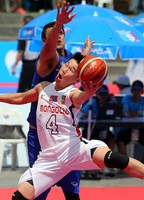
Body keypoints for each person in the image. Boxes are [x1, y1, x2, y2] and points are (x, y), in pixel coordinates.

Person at [0, 53, 144, 200]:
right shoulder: (44, 88)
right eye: (65, 65)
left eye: (71, 69)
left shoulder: (73, 94)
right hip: (48, 159)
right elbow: (21, 97)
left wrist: (91, 89)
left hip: (75, 149)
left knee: (116, 159)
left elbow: (84, 95)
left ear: (78, 78)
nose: (64, 68)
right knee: (19, 197)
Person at [25, 2, 93, 199]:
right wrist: (58, 24)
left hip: (65, 138)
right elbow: (49, 49)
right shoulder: (46, 60)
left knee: (72, 194)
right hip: (40, 137)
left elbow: (76, 61)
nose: (59, 35)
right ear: (46, 40)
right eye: (55, 33)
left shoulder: (71, 58)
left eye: (62, 32)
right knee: (39, 193)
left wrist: (86, 52)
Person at [116, 80, 144, 165]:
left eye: (139, 90)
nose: (136, 92)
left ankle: (142, 165)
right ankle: (125, 166)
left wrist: (137, 113)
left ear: (142, 91)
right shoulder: (126, 98)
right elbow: (123, 111)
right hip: (127, 128)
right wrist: (131, 113)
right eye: (135, 90)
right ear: (131, 90)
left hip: (140, 129)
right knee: (120, 142)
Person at [80, 85, 116, 150]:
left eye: (105, 94)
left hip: (105, 129)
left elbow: (117, 112)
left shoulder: (110, 103)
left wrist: (113, 100)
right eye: (100, 94)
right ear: (96, 94)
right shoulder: (92, 102)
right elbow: (81, 114)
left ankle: (109, 158)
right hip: (93, 129)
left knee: (112, 139)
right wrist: (88, 116)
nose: (103, 96)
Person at [12, 15, 39, 92]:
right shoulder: (38, 32)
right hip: (37, 62)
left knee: (22, 88)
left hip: (28, 62)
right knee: (33, 87)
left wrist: (15, 66)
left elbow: (21, 51)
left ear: (24, 23)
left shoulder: (23, 34)